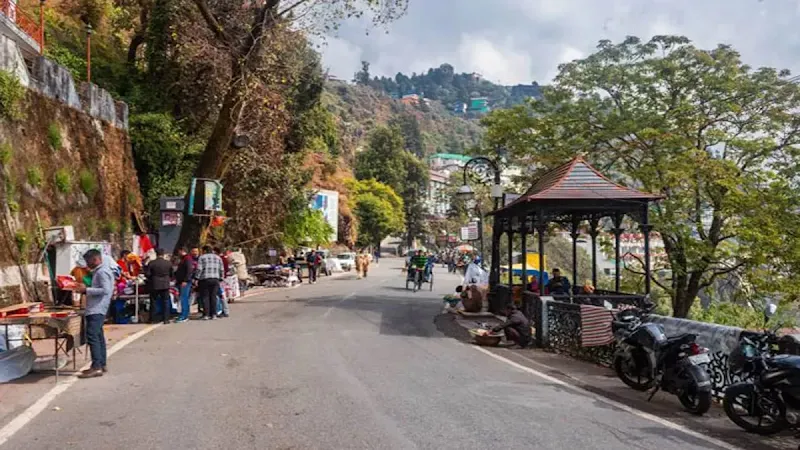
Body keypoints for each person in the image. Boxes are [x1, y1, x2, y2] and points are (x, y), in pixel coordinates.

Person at [74, 249, 114, 378]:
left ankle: (96, 366)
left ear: (95, 259)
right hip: (96, 307)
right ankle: (101, 363)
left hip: (97, 308)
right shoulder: (99, 271)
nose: (87, 264)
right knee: (98, 336)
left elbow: (105, 290)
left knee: (92, 336)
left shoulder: (102, 272)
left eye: (88, 261)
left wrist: (87, 290)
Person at [194, 245, 224, 320]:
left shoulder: (202, 257)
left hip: (205, 279)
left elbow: (199, 269)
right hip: (215, 279)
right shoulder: (218, 258)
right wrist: (221, 278)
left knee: (205, 297)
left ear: (204, 251)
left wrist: (196, 278)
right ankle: (214, 314)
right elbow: (221, 269)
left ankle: (206, 314)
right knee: (213, 296)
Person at [145, 248, 174, 324]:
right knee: (166, 301)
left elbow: (147, 274)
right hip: (165, 284)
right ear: (163, 254)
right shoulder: (168, 263)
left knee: (153, 302)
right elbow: (171, 274)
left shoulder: (152, 263)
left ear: (156, 254)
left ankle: (152, 319)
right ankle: (166, 319)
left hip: (155, 284)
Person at [174, 247, 194, 323]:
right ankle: (185, 314)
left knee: (184, 298)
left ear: (182, 251)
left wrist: (185, 280)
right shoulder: (183, 259)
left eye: (179, 251)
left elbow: (189, 270)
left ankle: (184, 315)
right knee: (184, 298)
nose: (178, 253)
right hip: (181, 281)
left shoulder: (187, 259)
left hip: (184, 282)